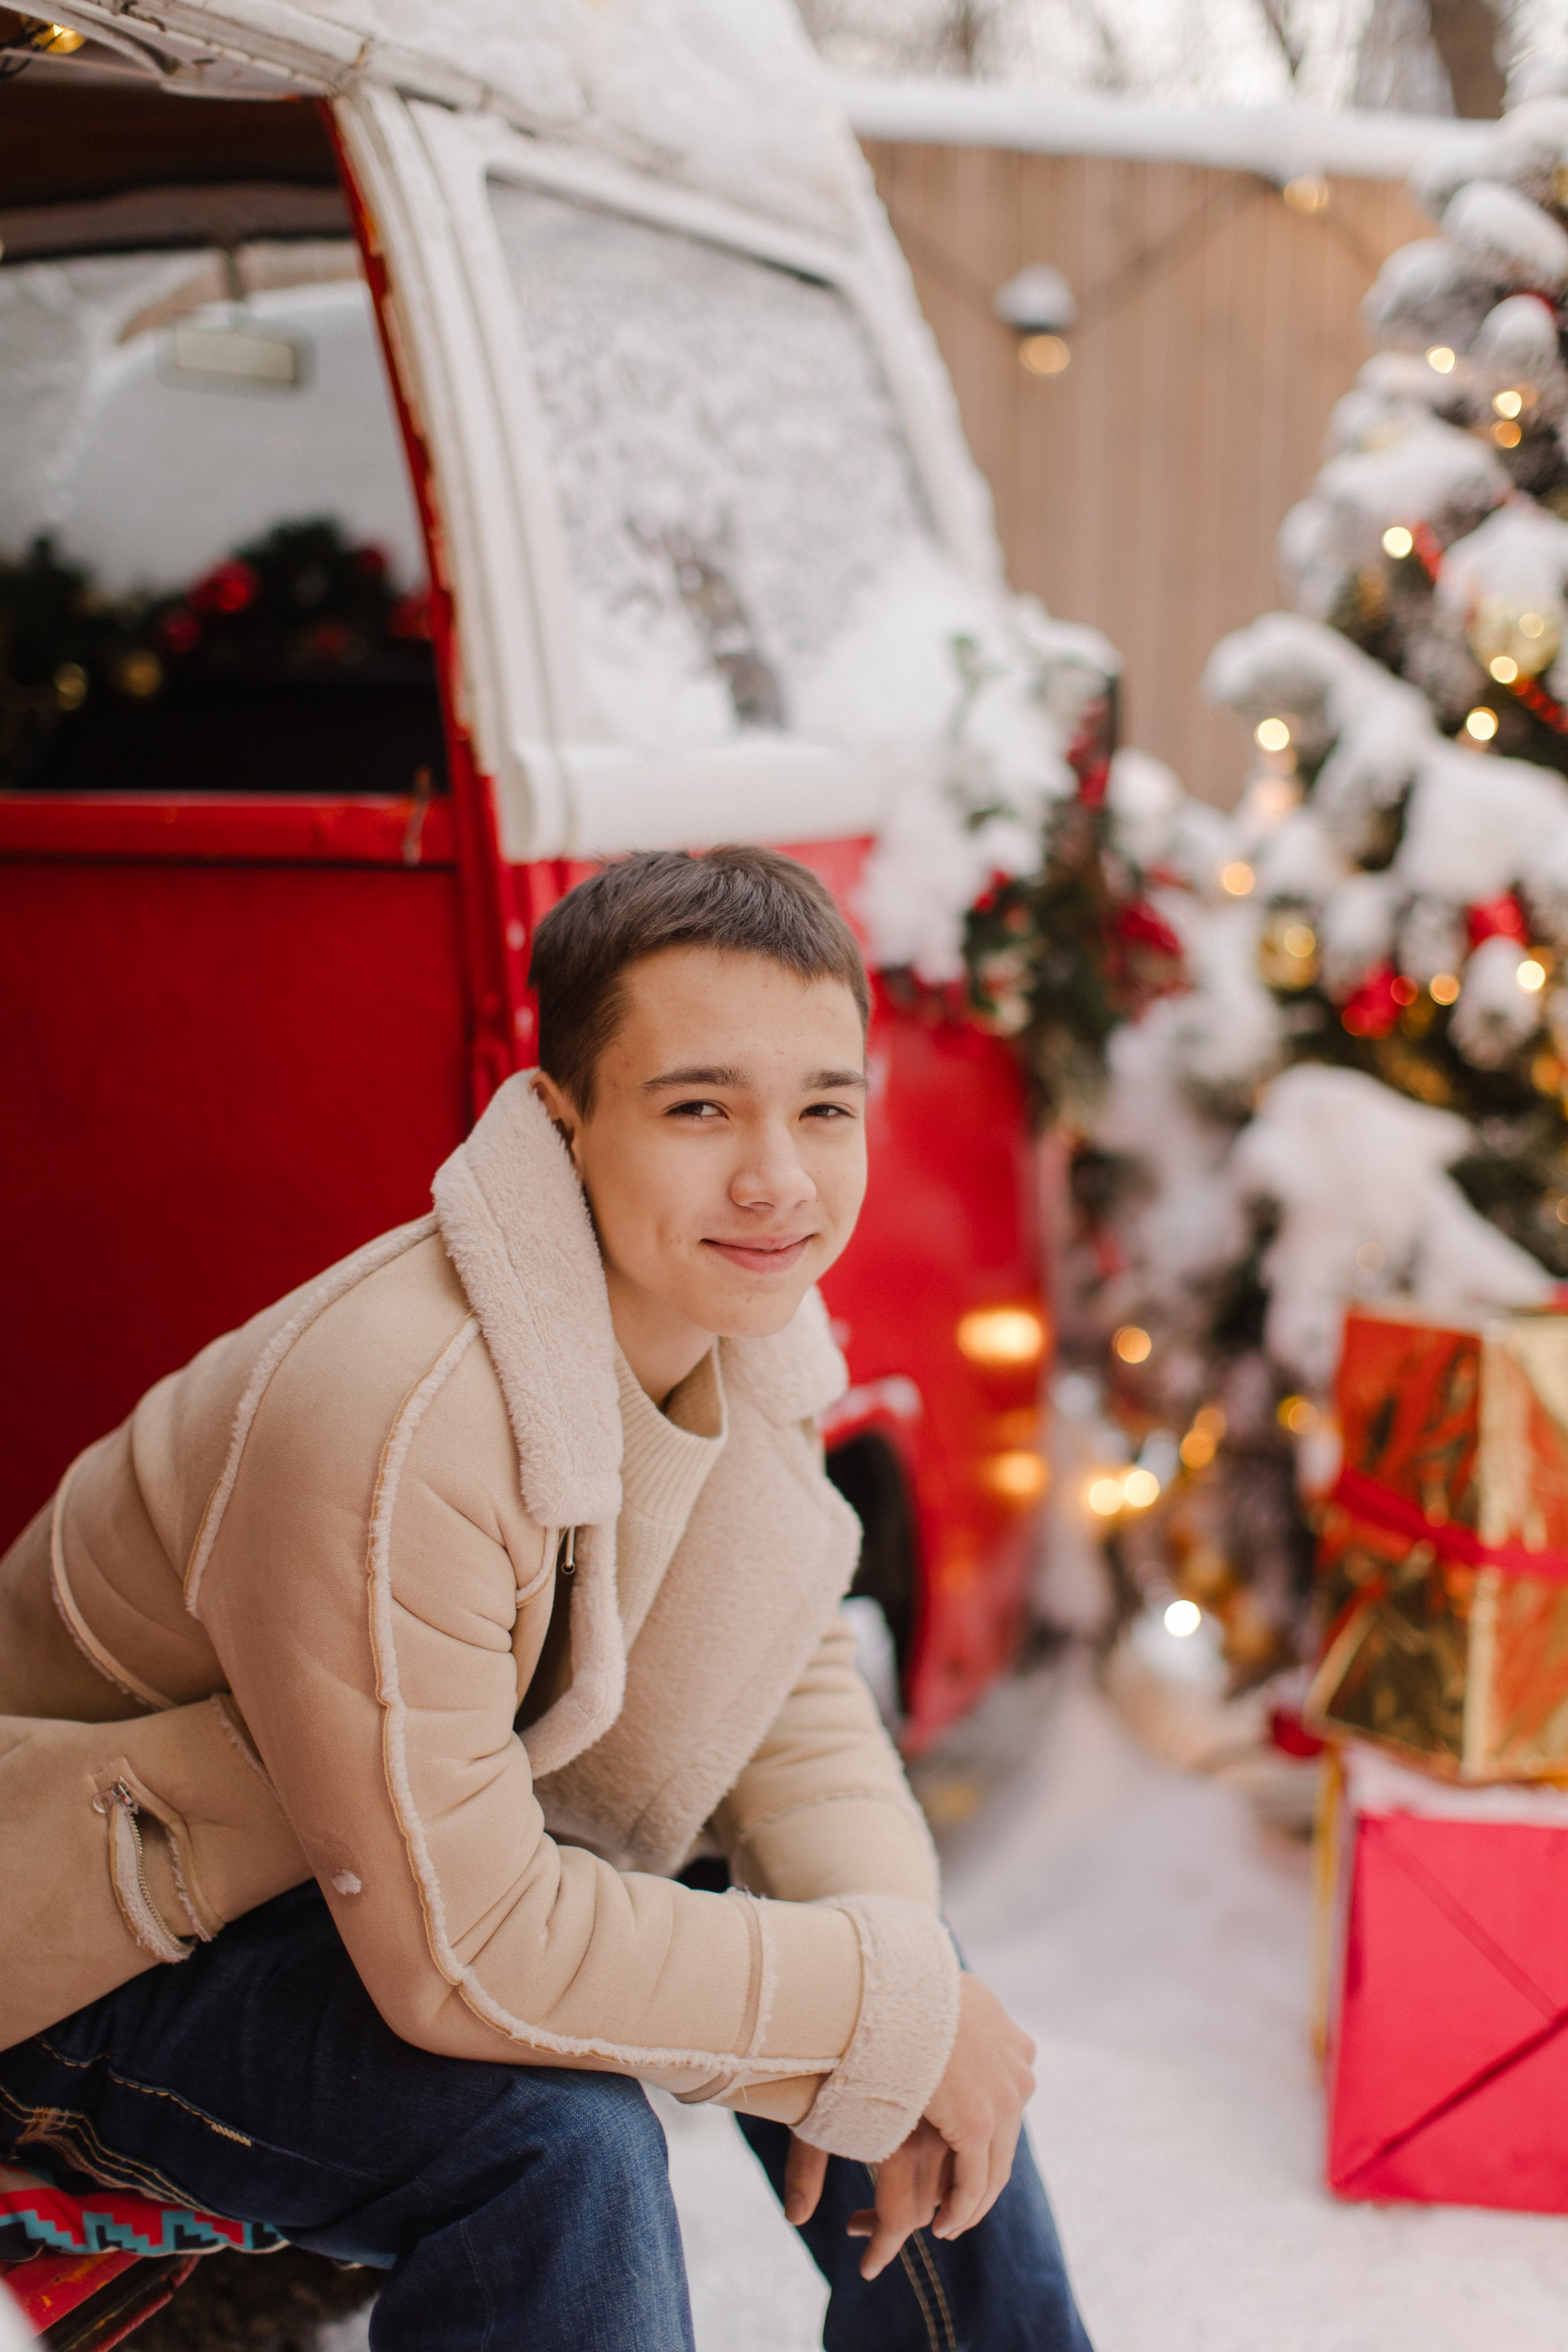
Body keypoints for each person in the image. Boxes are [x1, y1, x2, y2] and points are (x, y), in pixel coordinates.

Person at [0, 848, 1091, 2352]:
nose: (776, 1176)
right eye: (699, 1106)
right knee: (553, 2141)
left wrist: (892, 2011)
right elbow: (466, 1955)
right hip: (89, 1949)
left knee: (886, 1963)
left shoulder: (730, 1304)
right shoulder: (396, 1414)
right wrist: (866, 2018)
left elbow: (775, 1678)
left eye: (822, 1107)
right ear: (563, 1114)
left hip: (356, 1855)